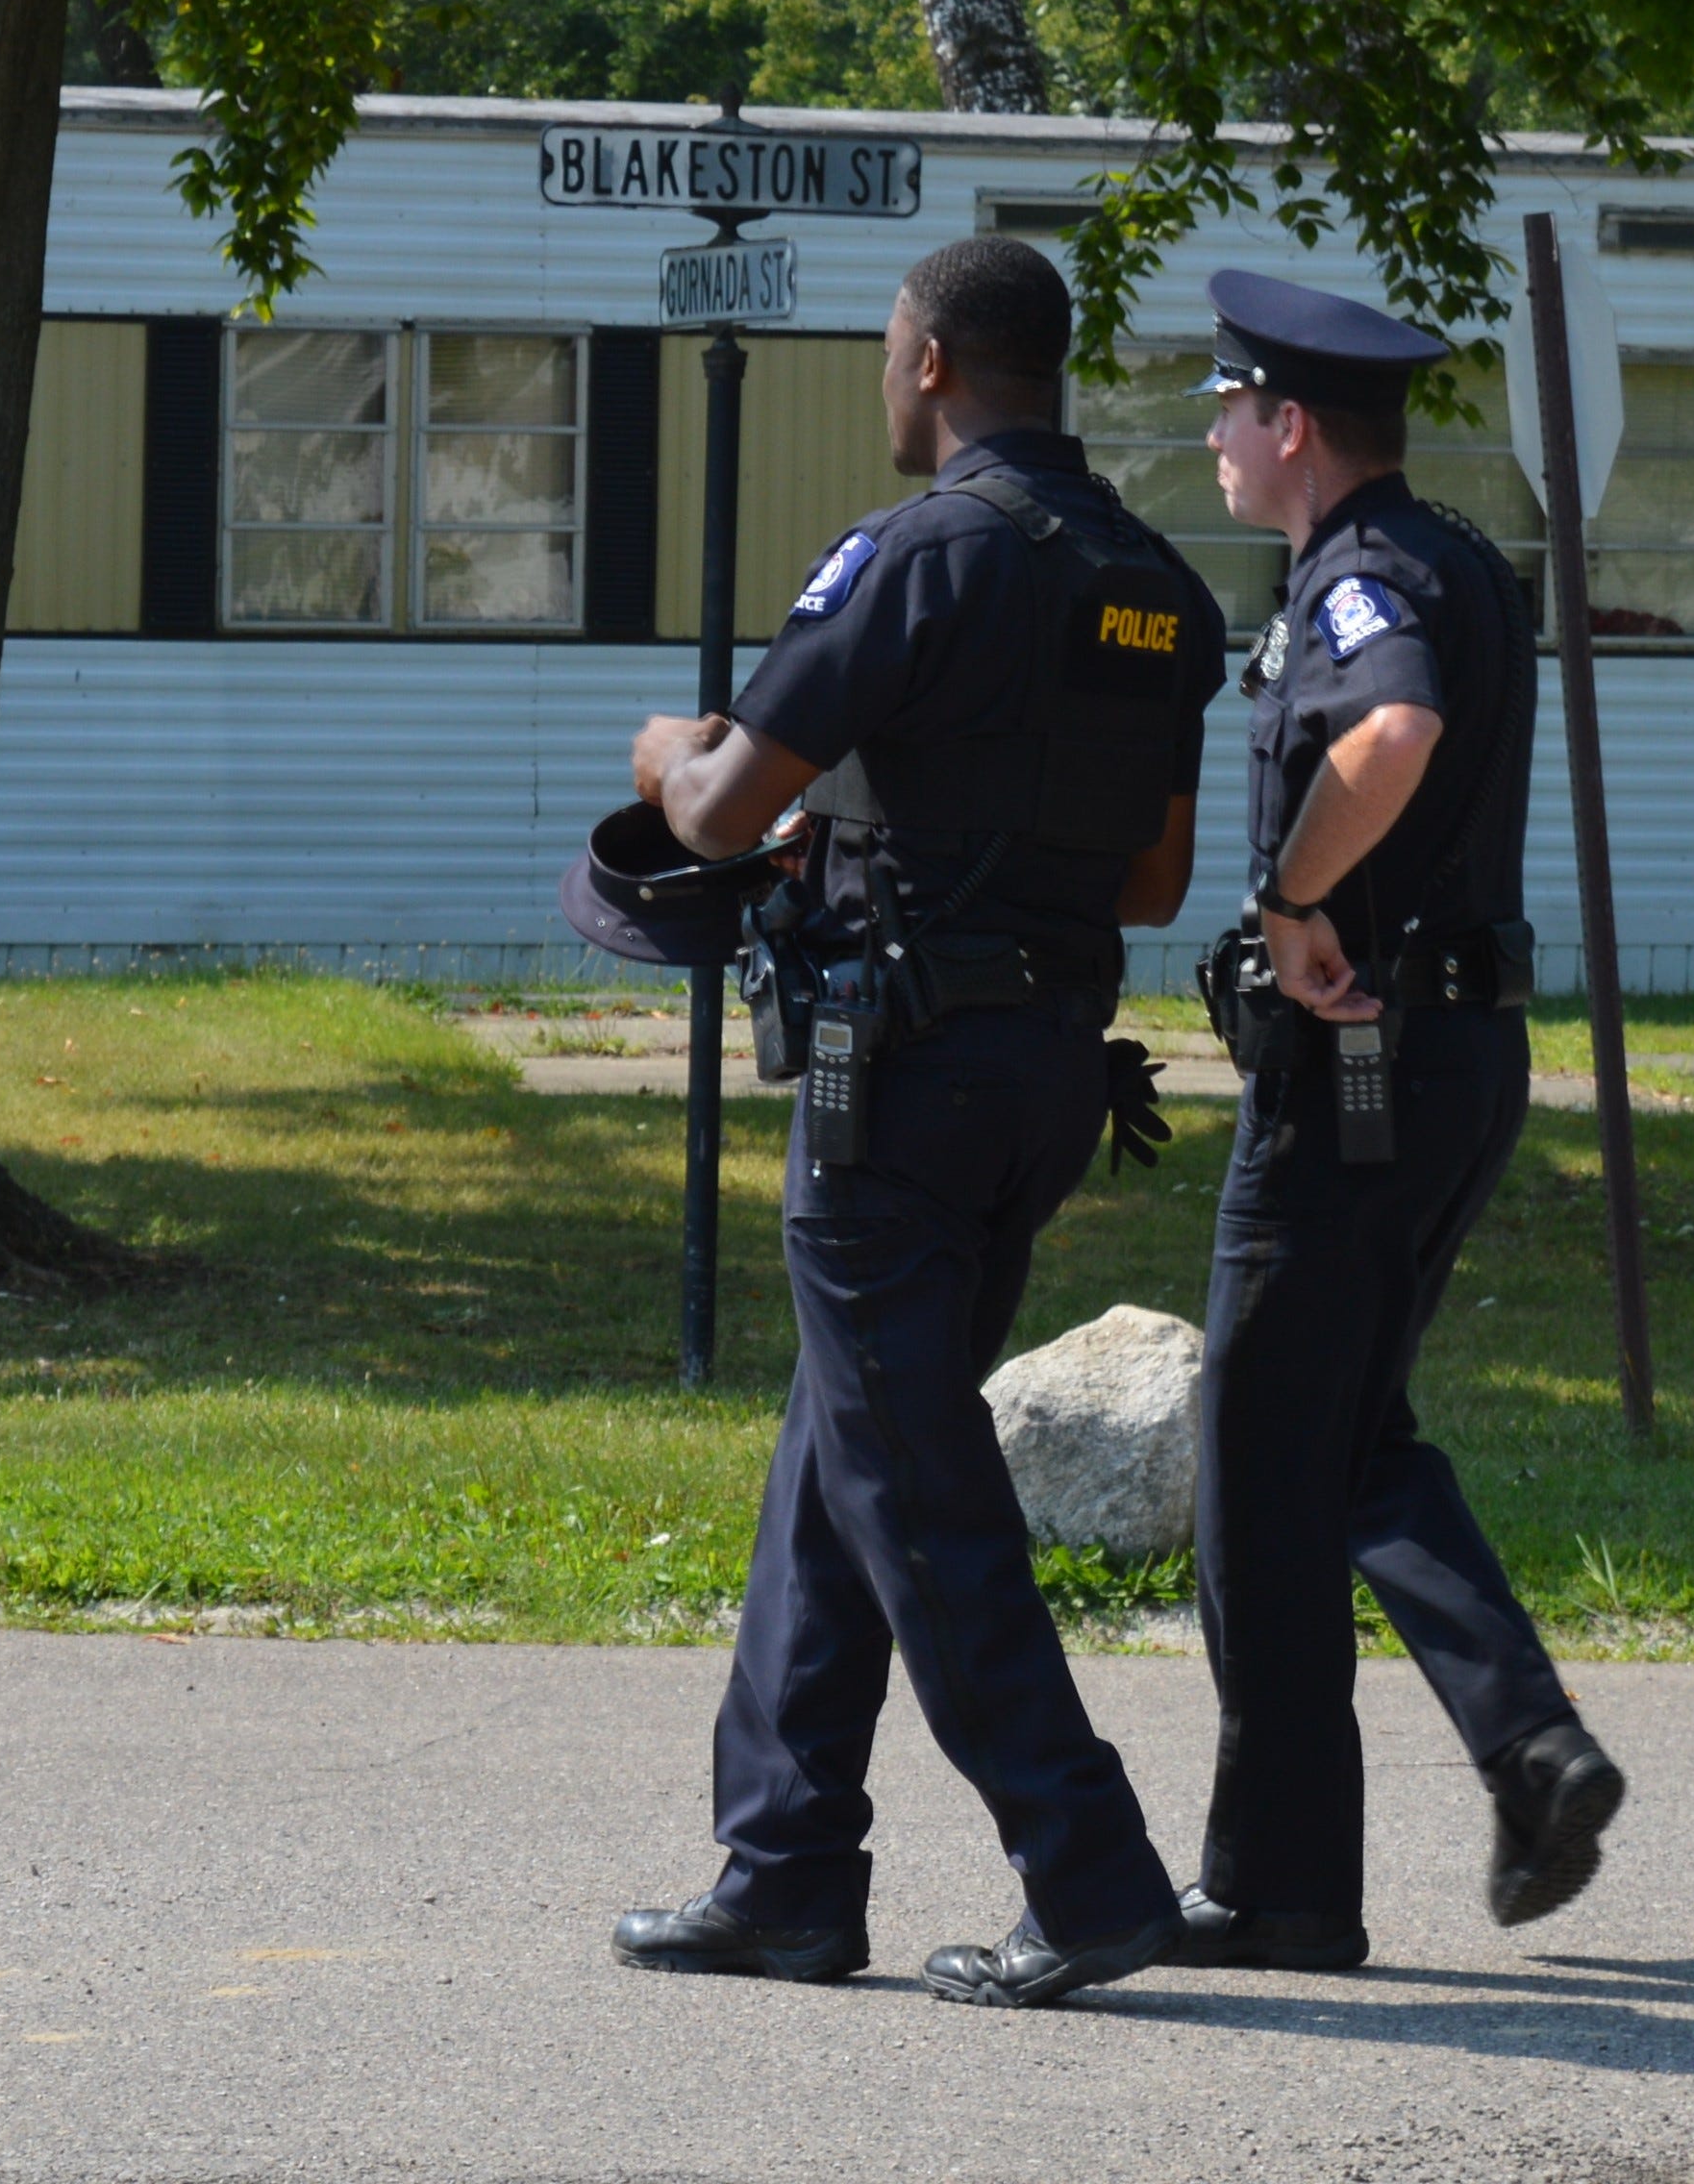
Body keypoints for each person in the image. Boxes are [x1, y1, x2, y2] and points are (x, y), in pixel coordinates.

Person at [608, 234, 1227, 2008]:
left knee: (916, 1484)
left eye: (891, 352)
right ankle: (784, 1869)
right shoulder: (1157, 585)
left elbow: (725, 810)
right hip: (1042, 1075)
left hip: (894, 1080)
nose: (886, 381)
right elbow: (1154, 875)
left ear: (938, 359)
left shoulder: (919, 552)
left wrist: (670, 753)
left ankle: (1088, 1870)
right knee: (846, 1455)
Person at [1177, 267, 1626, 1974]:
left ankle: (1280, 1884)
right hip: (1449, 1065)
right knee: (1344, 1438)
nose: (1212, 438)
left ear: (1289, 424)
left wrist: (1289, 898)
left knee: (1257, 1476)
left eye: (1225, 410)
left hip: (1356, 1070)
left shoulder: (1362, 579)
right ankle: (1529, 1752)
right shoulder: (1444, 557)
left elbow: (1399, 727)